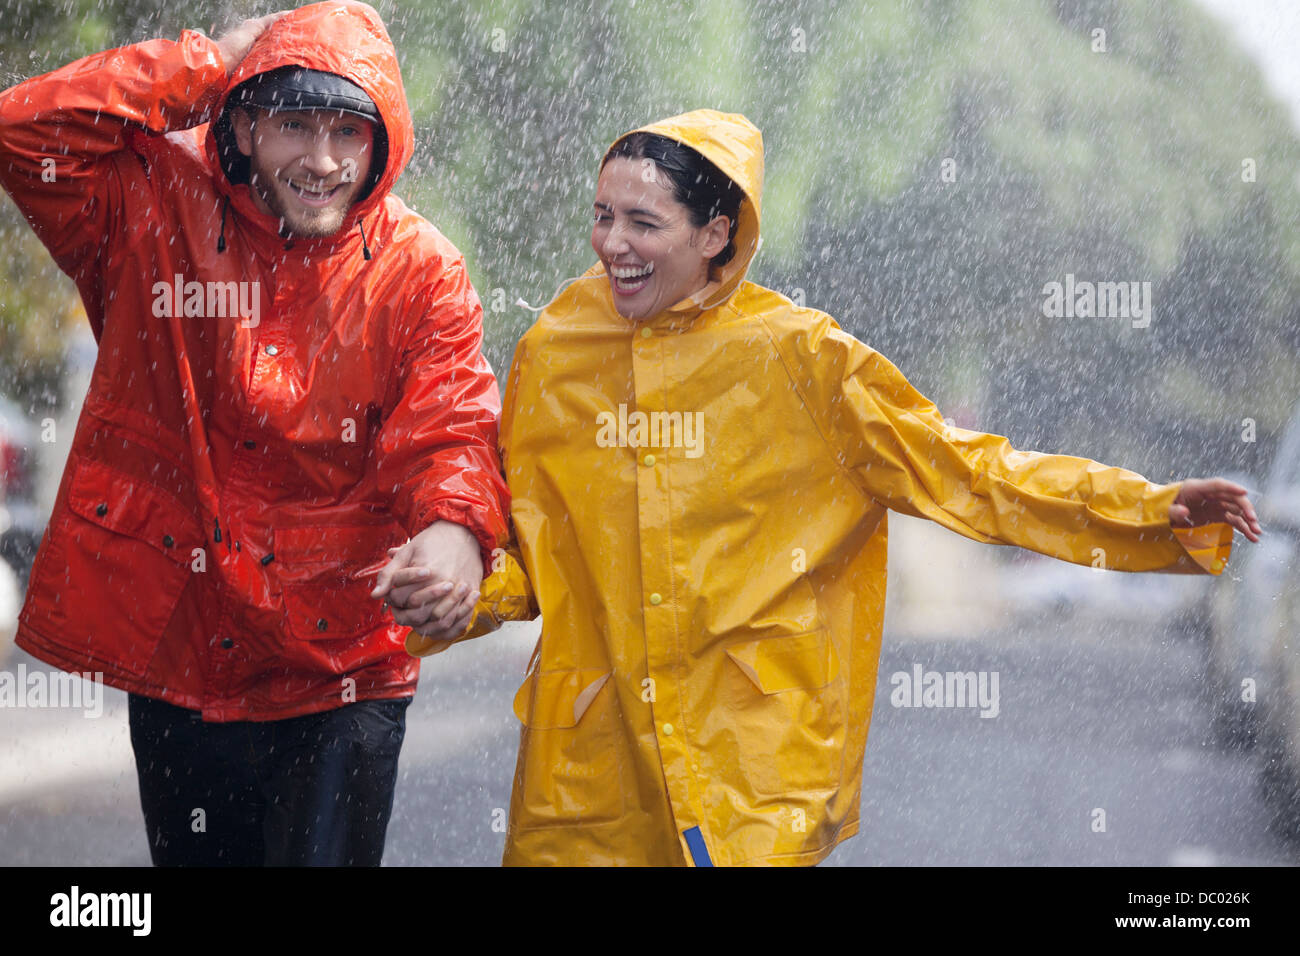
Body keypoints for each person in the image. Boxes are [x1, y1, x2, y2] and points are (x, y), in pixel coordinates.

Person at [397, 108, 1261, 867]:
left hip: (746, 777)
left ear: (715, 235)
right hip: (584, 775)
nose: (612, 244)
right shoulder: (554, 351)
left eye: (641, 221)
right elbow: (531, 559)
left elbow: (968, 472)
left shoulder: (803, 359)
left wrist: (1147, 510)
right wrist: (459, 595)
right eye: (601, 215)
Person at [0, 0, 505, 866]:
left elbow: (451, 427)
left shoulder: (421, 270)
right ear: (241, 119)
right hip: (184, 655)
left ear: (384, 140)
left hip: (343, 663)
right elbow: (20, 131)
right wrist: (205, 62)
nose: (321, 160)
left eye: (348, 131)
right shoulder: (151, 205)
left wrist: (456, 531)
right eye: (293, 124)